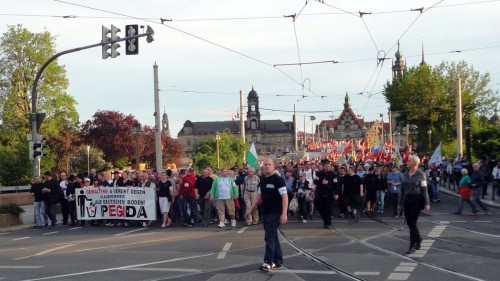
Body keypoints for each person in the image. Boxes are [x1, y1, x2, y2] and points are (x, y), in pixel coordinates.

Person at [245, 158, 288, 272]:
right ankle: (278, 261)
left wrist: (284, 213)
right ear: (262, 166)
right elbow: (258, 196)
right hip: (266, 212)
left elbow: (285, 197)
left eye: (269, 164)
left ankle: (268, 261)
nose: (267, 166)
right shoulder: (263, 180)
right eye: (265, 164)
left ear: (273, 166)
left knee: (269, 237)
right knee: (273, 236)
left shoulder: (278, 180)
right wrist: (250, 209)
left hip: (275, 213)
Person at [399, 155, 430, 254]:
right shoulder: (404, 174)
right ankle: (419, 239)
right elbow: (402, 190)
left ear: (414, 163)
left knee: (413, 222)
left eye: (409, 161)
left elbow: (424, 190)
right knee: (409, 223)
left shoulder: (421, 175)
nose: (407, 162)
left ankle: (412, 245)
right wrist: (400, 203)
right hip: (407, 200)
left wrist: (427, 203)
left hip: (417, 200)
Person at [313, 160, 338, 228]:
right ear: (323, 166)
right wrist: (321, 182)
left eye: (329, 166)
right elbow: (315, 182)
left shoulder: (333, 174)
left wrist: (336, 193)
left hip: (329, 194)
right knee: (321, 209)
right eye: (326, 166)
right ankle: (325, 221)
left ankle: (328, 222)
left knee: (329, 209)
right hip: (320, 193)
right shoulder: (319, 173)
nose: (328, 167)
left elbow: (335, 184)